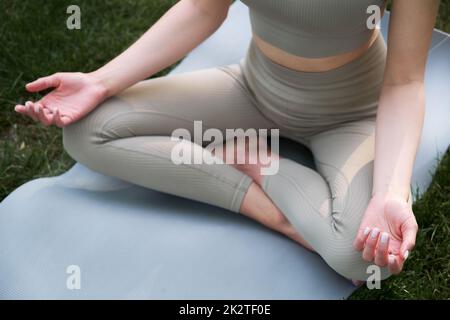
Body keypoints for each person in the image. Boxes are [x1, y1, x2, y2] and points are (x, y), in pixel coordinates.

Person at [14, 0, 440, 283]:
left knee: (365, 260)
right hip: (253, 89)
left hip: (352, 114)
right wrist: (99, 82)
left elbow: (404, 82)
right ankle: (263, 203)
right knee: (88, 130)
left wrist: (390, 192)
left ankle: (255, 160)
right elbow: (203, 8)